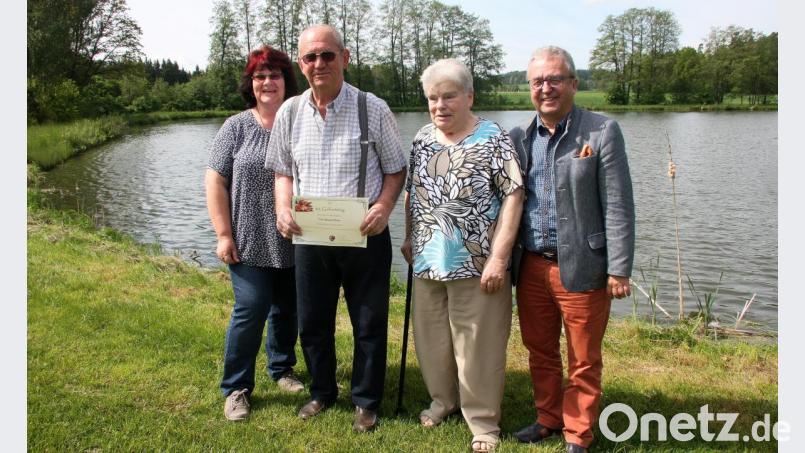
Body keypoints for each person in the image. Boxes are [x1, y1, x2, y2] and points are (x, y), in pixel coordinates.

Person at [264, 24, 407, 433]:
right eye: (310, 57)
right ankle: (322, 391)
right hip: (309, 237)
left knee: (368, 321)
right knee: (312, 320)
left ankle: (366, 400)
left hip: (365, 234)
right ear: (301, 63)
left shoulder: (372, 108)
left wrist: (383, 206)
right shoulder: (290, 112)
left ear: (344, 58)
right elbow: (282, 171)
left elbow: (397, 169)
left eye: (327, 55)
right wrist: (282, 208)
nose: (318, 63)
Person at [509, 46, 635, 453]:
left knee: (583, 357)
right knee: (540, 349)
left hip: (583, 265)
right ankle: (548, 417)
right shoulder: (518, 138)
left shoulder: (601, 131)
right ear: (529, 88)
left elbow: (617, 204)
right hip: (530, 264)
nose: (546, 88)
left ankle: (578, 432)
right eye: (537, 81)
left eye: (555, 79)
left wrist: (619, 269)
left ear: (573, 84)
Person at [401, 58, 524, 453]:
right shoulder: (421, 139)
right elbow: (412, 192)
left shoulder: (493, 138)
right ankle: (443, 400)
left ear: (469, 97)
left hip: (476, 262)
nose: (440, 105)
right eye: (433, 98)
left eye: (449, 96)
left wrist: (499, 259)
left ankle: (484, 423)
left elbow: (513, 195)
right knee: (432, 339)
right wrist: (407, 237)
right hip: (427, 260)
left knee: (478, 346)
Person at [205, 45, 304, 422]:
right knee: (251, 310)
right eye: (260, 76)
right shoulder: (236, 126)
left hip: (296, 237)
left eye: (274, 75)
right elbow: (215, 180)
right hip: (248, 240)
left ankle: (282, 368)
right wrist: (223, 234)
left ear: (285, 82)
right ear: (251, 83)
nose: (267, 82)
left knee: (288, 310)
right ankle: (236, 388)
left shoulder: (301, 123)